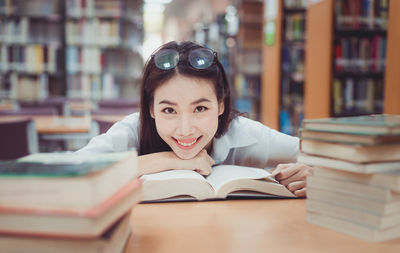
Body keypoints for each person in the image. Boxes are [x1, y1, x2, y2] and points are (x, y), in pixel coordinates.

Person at [77, 41, 312, 197]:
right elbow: (67, 172)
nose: (185, 129)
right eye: (169, 110)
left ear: (221, 105)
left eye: (200, 108)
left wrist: (314, 173)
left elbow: (330, 158)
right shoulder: (131, 130)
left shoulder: (244, 133)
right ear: (151, 109)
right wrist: (169, 160)